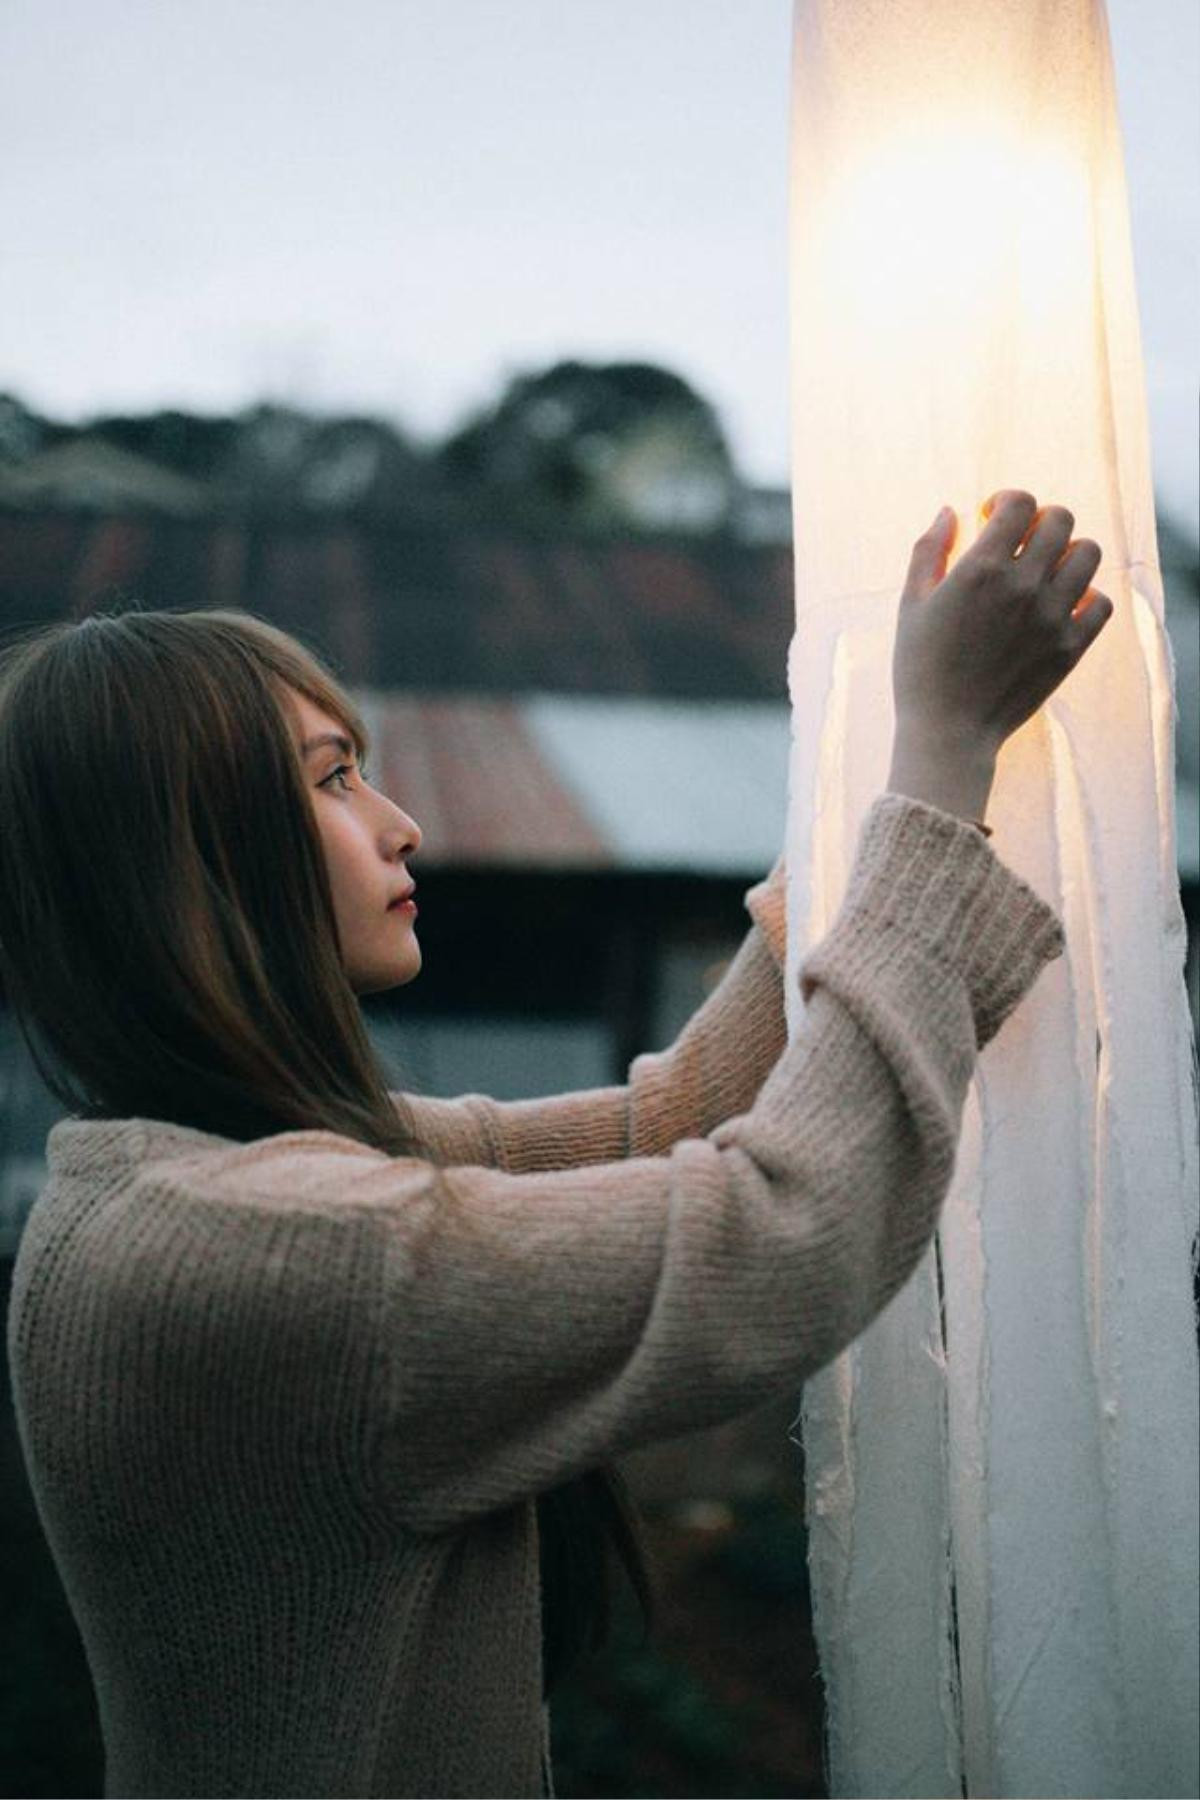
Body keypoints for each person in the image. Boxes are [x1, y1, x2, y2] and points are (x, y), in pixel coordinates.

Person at [1, 489, 1111, 1799]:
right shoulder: (265, 1249)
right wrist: (941, 759)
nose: (401, 821)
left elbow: (671, 1125)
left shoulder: (210, 1169)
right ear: (188, 862)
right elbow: (783, 1234)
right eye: (333, 778)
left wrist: (873, 802)